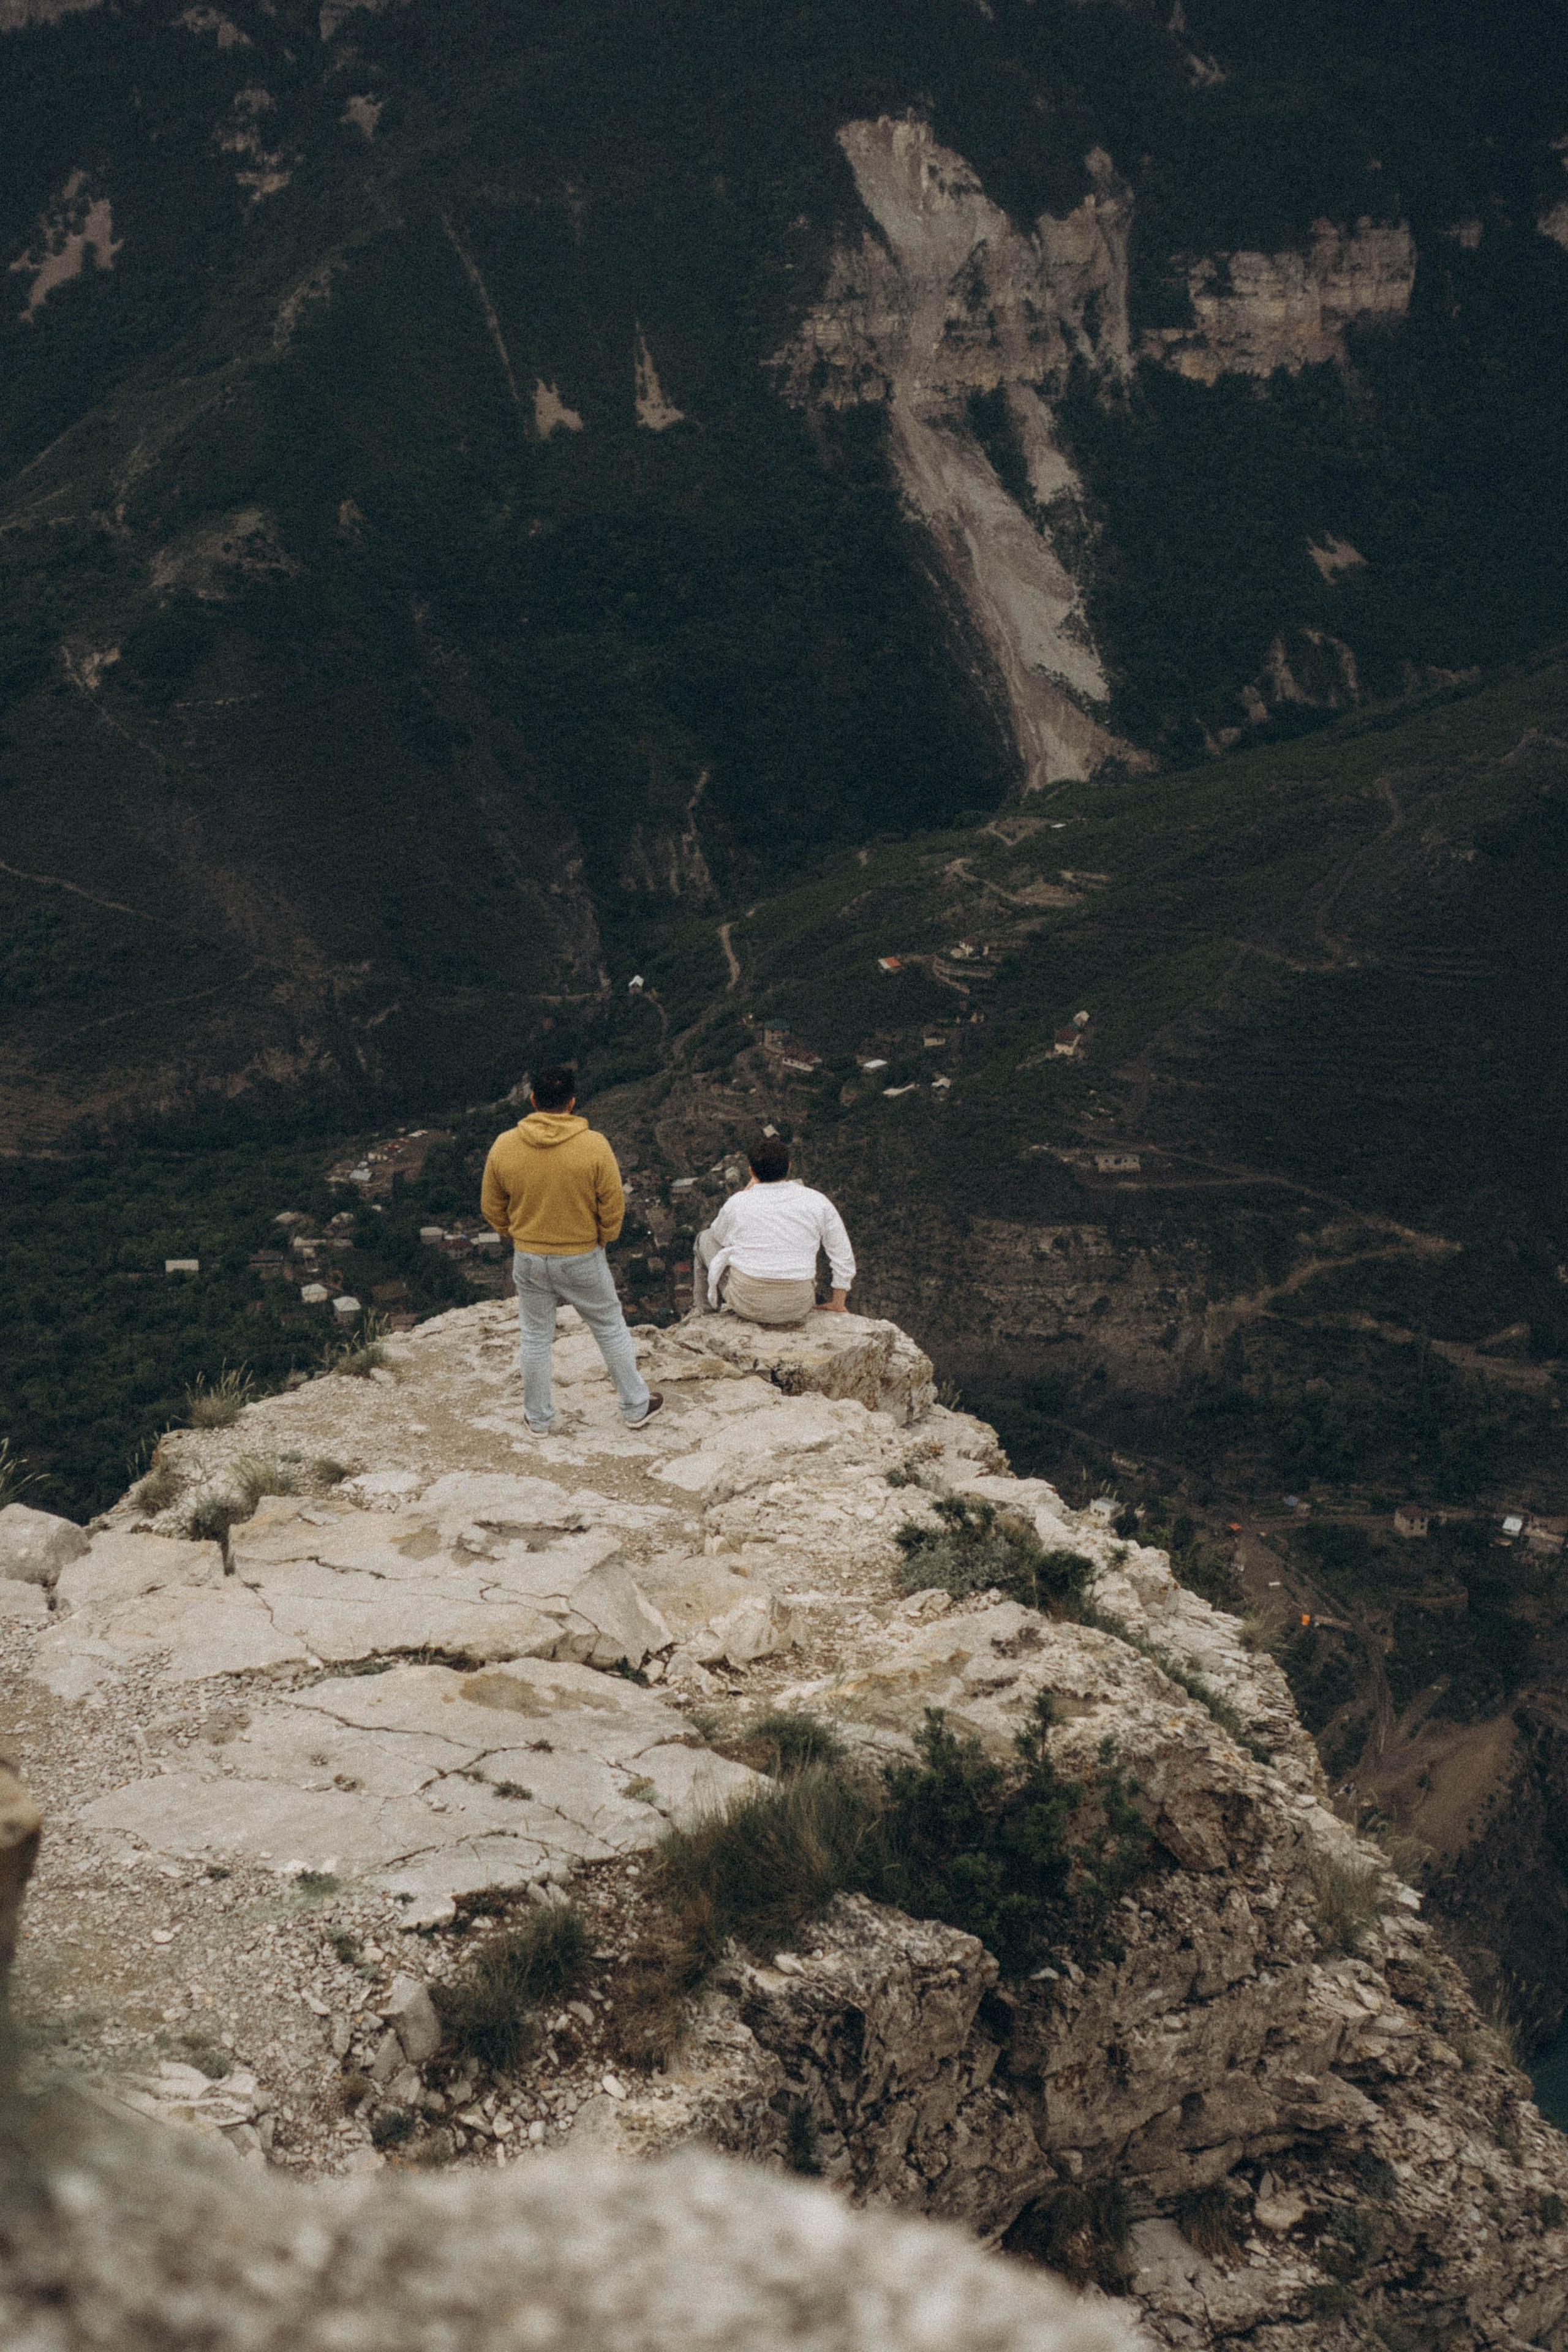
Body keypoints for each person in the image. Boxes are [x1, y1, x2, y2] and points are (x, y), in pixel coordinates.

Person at [480, 1065, 663, 1436]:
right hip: (581, 1254)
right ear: (573, 1103)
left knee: (534, 1336)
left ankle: (539, 1418)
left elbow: (491, 1205)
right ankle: (635, 1406)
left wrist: (515, 1234)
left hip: (529, 1256)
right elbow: (613, 1205)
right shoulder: (594, 1145)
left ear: (532, 1101)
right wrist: (603, 1239)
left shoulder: (505, 1144)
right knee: (609, 1328)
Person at [695, 1136, 856, 1327]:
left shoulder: (738, 1202)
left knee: (704, 1238)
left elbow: (718, 1237)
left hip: (748, 1305)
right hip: (798, 1306)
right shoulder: (817, 1201)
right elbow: (842, 1254)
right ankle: (835, 1302)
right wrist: (838, 1302)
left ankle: (707, 1315)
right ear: (789, 1166)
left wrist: (747, 1193)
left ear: (752, 1171)